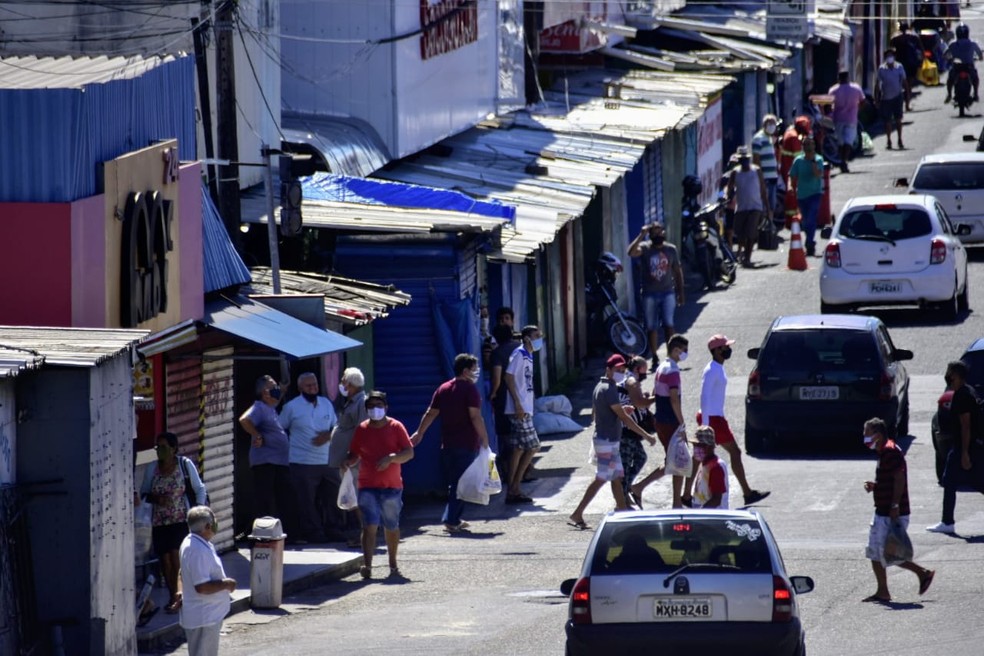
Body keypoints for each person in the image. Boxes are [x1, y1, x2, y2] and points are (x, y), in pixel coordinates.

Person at [568, 355, 658, 530]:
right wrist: (646, 435)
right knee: (602, 479)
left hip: (606, 439)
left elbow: (605, 412)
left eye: (623, 370)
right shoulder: (609, 389)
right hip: (607, 440)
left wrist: (622, 410)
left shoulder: (601, 386)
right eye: (617, 370)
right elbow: (625, 419)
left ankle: (622, 511)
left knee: (617, 478)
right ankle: (579, 513)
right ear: (608, 369)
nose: (621, 373)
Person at [411, 353, 491, 532]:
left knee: (456, 482)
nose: (476, 372)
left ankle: (454, 517)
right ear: (465, 371)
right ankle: (451, 519)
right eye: (473, 369)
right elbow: (475, 416)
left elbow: (430, 413)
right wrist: (484, 438)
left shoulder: (444, 388)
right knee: (460, 483)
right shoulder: (470, 390)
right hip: (466, 443)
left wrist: (419, 432)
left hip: (447, 444)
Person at [861, 418, 935, 603]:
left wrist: (894, 505)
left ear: (877, 435)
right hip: (884, 510)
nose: (864, 436)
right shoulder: (885, 451)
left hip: (890, 512)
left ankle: (920, 574)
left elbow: (899, 478)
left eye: (867, 432)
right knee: (880, 552)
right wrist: (876, 486)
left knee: (884, 552)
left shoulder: (889, 451)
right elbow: (890, 479)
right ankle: (885, 590)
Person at [345, 391, 414, 579]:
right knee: (369, 525)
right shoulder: (362, 429)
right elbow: (354, 453)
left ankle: (393, 564)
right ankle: (367, 566)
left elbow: (409, 453)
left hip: (392, 486)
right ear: (366, 409)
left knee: (391, 526)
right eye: (371, 406)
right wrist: (348, 462)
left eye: (379, 405)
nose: (375, 410)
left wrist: (392, 458)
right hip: (367, 485)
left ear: (386, 408)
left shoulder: (396, 427)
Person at [696, 334, 770, 506]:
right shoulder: (711, 370)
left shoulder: (718, 368)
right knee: (733, 453)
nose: (729, 349)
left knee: (701, 457)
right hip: (712, 419)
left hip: (716, 417)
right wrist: (706, 426)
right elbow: (704, 397)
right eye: (725, 347)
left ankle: (686, 494)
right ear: (716, 350)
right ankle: (747, 493)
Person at [140, 431, 207, 614]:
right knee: (165, 561)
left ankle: (178, 596)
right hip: (159, 521)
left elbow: (199, 488)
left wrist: (199, 512)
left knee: (176, 557)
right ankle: (172, 594)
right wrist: (156, 498)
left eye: (164, 447)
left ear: (173, 448)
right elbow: (144, 493)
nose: (160, 451)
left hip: (181, 520)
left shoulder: (184, 465)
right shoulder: (152, 468)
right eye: (158, 447)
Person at [279, 372, 337, 544]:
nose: (313, 388)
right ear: (300, 388)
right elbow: (280, 428)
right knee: (306, 501)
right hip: (302, 461)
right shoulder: (291, 407)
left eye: (315, 385)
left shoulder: (326, 403)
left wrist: (327, 436)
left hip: (327, 460)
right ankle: (314, 533)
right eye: (308, 386)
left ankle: (334, 529)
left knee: (332, 497)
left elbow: (336, 426)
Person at [927, 360, 984, 534]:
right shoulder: (968, 391)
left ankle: (947, 522)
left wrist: (965, 453)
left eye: (950, 372)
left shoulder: (962, 396)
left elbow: (966, 426)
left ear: (956, 375)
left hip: (965, 446)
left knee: (950, 480)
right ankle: (947, 520)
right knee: (976, 481)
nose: (948, 376)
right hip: (969, 446)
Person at [633, 334, 690, 508]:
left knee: (672, 460)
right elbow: (674, 399)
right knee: (679, 462)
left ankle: (639, 487)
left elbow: (654, 392)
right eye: (684, 351)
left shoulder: (661, 367)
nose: (686, 354)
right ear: (676, 350)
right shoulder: (672, 370)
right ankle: (676, 503)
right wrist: (682, 423)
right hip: (670, 421)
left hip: (662, 420)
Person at [238, 375, 294, 530]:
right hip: (266, 462)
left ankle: (278, 531)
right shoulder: (259, 407)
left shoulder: (270, 408)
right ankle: (261, 532)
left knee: (281, 497)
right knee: (265, 499)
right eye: (273, 387)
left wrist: (282, 390)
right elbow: (244, 420)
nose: (277, 390)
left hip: (279, 462)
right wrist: (257, 435)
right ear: (265, 392)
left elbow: (277, 397)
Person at [179, 506, 236, 656]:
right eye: (214, 521)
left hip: (206, 615)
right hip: (204, 617)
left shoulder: (196, 543)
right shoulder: (198, 550)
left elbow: (181, 573)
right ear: (207, 526)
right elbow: (202, 587)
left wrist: (180, 592)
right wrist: (226, 583)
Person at [627, 221, 685, 364]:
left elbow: (677, 272)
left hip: (668, 293)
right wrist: (642, 234)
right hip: (649, 294)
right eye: (655, 232)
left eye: (660, 231)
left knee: (669, 324)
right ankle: (654, 356)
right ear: (650, 235)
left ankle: (671, 355)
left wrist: (680, 292)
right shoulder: (645, 248)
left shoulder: (671, 249)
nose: (658, 234)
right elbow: (631, 252)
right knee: (651, 326)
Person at [328, 367, 369, 546]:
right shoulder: (351, 402)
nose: (342, 384)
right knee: (353, 498)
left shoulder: (361, 403)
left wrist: (354, 457)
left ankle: (366, 534)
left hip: (353, 461)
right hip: (346, 461)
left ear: (351, 384)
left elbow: (362, 432)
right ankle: (363, 533)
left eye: (344, 381)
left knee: (357, 498)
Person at [503, 325, 543, 503]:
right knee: (533, 446)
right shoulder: (519, 354)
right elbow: (508, 376)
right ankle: (515, 487)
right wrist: (518, 403)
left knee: (518, 449)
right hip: (519, 409)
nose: (539, 339)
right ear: (527, 338)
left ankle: (513, 489)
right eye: (536, 336)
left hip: (524, 407)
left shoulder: (528, 355)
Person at [618, 356, 658, 508]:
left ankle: (627, 489)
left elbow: (637, 404)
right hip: (626, 431)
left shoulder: (630, 381)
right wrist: (656, 397)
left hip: (631, 431)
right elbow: (638, 402)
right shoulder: (632, 382)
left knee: (640, 458)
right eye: (644, 369)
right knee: (626, 466)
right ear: (636, 369)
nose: (645, 373)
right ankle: (623, 499)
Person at [727, 145, 769, 267]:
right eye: (742, 159)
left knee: (751, 234)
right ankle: (743, 254)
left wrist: (767, 207)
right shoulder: (735, 172)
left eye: (746, 159)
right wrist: (728, 197)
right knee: (740, 233)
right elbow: (729, 188)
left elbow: (763, 190)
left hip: (755, 207)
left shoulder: (756, 171)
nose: (744, 161)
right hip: (741, 207)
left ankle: (747, 258)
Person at [489, 323, 521, 482]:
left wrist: (492, 393)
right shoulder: (521, 349)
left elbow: (497, 378)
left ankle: (510, 474)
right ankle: (523, 471)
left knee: (506, 436)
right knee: (523, 436)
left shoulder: (498, 353)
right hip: (524, 397)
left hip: (505, 398)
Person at [788, 137, 825, 257]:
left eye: (811, 146)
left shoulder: (818, 159)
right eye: (806, 146)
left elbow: (818, 174)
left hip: (815, 194)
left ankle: (810, 242)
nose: (809, 149)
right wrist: (790, 186)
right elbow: (792, 175)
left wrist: (813, 162)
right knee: (805, 221)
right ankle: (809, 240)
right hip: (802, 195)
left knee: (811, 217)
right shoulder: (798, 161)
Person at [828, 71, 866, 173]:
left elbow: (828, 104)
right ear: (848, 77)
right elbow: (863, 101)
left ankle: (842, 161)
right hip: (851, 118)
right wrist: (857, 109)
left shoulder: (833, 90)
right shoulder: (856, 88)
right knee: (848, 141)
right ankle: (844, 161)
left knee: (840, 143)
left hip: (838, 119)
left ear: (838, 78)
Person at [875, 48, 910, 150]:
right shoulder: (881, 69)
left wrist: (907, 95)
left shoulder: (899, 67)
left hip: (898, 97)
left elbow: (904, 81)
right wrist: (877, 99)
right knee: (888, 121)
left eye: (891, 56)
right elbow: (877, 85)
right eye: (888, 56)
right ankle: (889, 140)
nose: (889, 58)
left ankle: (899, 139)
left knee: (898, 119)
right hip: (886, 98)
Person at [751, 114, 780, 228]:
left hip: (772, 178)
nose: (773, 126)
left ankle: (769, 226)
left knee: (771, 205)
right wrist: (760, 178)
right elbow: (756, 160)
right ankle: (762, 228)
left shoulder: (769, 138)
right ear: (765, 125)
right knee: (764, 205)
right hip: (765, 179)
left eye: (774, 123)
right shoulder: (758, 138)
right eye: (770, 123)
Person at [690, 426, 729, 509]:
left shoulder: (716, 468)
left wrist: (700, 513)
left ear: (709, 446)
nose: (695, 449)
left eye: (699, 445)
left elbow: (716, 500)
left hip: (713, 518)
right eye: (694, 445)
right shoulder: (703, 464)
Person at [944, 23, 983, 102]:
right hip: (969, 66)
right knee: (975, 78)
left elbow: (945, 54)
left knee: (950, 80)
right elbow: (980, 54)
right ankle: (975, 94)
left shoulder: (953, 44)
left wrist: (949, 59)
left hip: (957, 67)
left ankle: (949, 94)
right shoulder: (972, 43)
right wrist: (979, 58)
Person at [890, 21, 924, 93]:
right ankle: (908, 88)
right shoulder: (914, 36)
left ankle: (905, 88)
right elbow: (921, 48)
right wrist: (921, 59)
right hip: (912, 59)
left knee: (902, 74)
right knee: (911, 75)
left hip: (900, 59)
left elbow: (891, 46)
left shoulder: (896, 37)